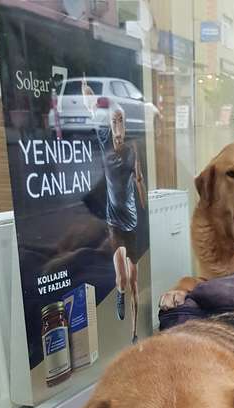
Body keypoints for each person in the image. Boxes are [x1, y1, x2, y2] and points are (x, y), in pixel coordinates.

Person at [82, 76, 146, 344]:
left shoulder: (133, 149)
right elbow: (90, 107)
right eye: (113, 121)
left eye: (121, 120)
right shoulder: (104, 144)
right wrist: (85, 87)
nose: (117, 125)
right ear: (109, 126)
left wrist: (143, 208)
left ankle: (133, 334)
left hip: (132, 222)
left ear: (125, 124)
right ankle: (117, 293)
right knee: (121, 278)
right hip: (114, 223)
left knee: (134, 281)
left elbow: (139, 179)